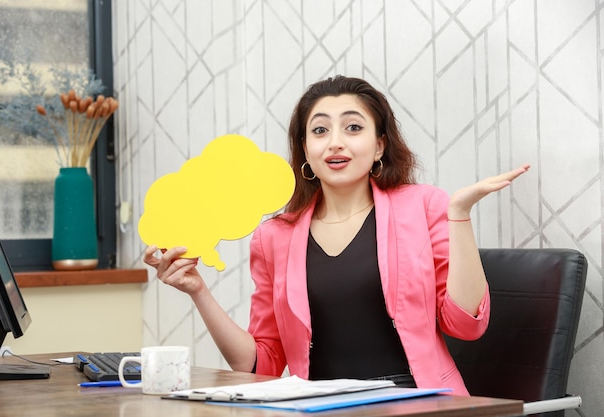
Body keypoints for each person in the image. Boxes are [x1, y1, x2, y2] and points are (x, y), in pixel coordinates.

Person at [143, 75, 529, 396]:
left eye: (353, 127)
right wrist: (197, 289)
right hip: (319, 404)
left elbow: (467, 325)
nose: (335, 142)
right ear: (305, 150)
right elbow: (260, 363)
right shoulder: (273, 236)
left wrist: (458, 215)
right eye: (320, 130)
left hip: (416, 399)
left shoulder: (425, 206)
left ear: (380, 145)